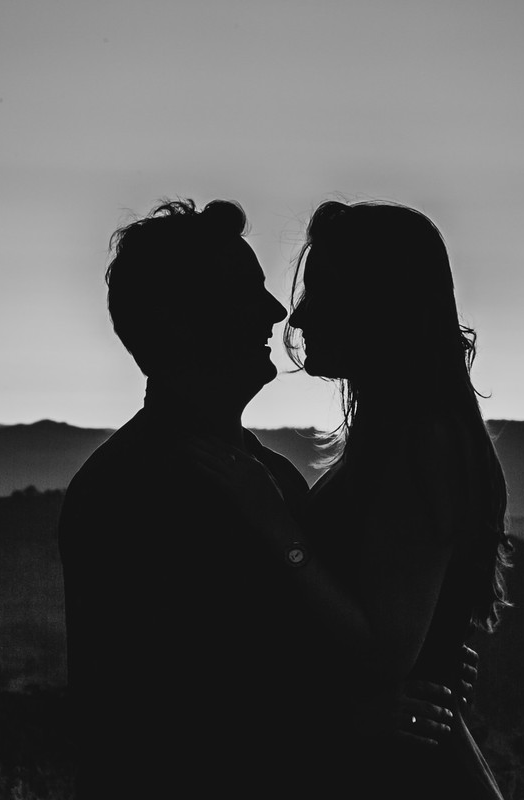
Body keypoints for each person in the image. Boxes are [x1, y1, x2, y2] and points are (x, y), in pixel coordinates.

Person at [58, 199, 461, 800]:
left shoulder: (261, 473)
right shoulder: (132, 492)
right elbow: (151, 707)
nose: (276, 312)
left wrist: (431, 651)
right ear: (182, 322)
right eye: (246, 291)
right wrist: (347, 720)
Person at [285, 200, 514, 798]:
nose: (300, 314)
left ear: (377, 305)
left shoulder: (423, 446)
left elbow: (387, 654)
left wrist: (279, 542)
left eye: (322, 291)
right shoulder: (400, 439)